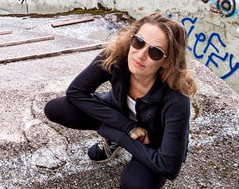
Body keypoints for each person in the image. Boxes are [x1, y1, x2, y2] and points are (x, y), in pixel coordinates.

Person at [44, 13, 197, 189]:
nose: (140, 55)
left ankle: (117, 140)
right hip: (119, 113)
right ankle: (117, 137)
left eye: (155, 52)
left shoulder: (177, 98)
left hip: (153, 140)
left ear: (167, 62)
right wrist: (126, 127)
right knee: (56, 108)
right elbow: (76, 91)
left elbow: (169, 167)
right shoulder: (116, 57)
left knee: (134, 185)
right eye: (138, 42)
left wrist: (113, 132)